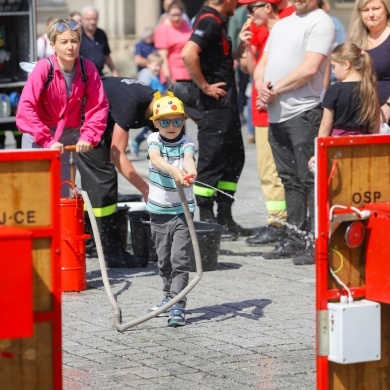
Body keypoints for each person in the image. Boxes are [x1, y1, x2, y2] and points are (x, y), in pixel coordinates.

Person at [81, 79, 203, 268]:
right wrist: (146, 190)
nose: (178, 122)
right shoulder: (132, 102)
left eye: (182, 118)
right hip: (83, 121)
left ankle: (90, 241)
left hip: (103, 120)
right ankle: (110, 250)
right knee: (103, 179)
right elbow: (117, 154)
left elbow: (169, 151)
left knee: (98, 182)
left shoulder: (155, 107)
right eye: (179, 115)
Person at [254, 0, 336, 264]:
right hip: (277, 115)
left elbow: (309, 69)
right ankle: (295, 238)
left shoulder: (320, 21)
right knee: (289, 180)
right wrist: (260, 85)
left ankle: (316, 240)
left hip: (304, 112)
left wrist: (272, 89)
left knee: (310, 181)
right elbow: (261, 64)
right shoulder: (282, 25)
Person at [181, 0, 254, 241]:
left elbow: (220, 59)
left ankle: (224, 216)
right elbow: (188, 53)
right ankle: (207, 218)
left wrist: (241, 45)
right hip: (214, 108)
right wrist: (205, 86)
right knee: (212, 160)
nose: (239, 4)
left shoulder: (218, 22)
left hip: (227, 106)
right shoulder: (209, 21)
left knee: (233, 158)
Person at [16, 18, 108, 197]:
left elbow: (98, 106)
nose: (70, 47)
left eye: (74, 41)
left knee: (63, 193)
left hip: (67, 136)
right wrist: (47, 141)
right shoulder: (44, 68)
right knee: (35, 194)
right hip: (37, 135)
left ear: (80, 42)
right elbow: (25, 108)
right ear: (53, 45)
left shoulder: (87, 68)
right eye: (64, 42)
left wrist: (88, 136)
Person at [238, 0, 293, 247]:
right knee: (267, 169)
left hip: (284, 106)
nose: (248, 14)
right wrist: (248, 44)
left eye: (251, 8)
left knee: (282, 169)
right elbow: (251, 70)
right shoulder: (258, 28)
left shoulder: (289, 19)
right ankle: (278, 221)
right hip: (261, 110)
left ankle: (282, 223)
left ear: (267, 6)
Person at [146, 91, 197, 327]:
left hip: (182, 212)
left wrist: (190, 170)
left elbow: (188, 160)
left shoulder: (187, 142)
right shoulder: (153, 140)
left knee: (179, 258)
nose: (171, 126)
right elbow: (156, 159)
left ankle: (178, 303)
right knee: (163, 259)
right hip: (158, 210)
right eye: (165, 121)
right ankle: (167, 296)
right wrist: (172, 171)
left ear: (184, 121)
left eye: (177, 120)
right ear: (156, 123)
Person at [308, 42, 380, 157]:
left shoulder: (334, 89)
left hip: (339, 146)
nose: (332, 71)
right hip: (364, 145)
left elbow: (326, 125)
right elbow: (376, 123)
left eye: (334, 66)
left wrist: (319, 152)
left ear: (346, 65)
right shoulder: (369, 88)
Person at [348, 0, 390, 128]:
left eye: (376, 8)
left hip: (385, 114)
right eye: (365, 10)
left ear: (387, 10)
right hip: (361, 114)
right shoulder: (355, 40)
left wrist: (388, 106)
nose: (370, 14)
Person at [132, 53, 168, 156]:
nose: (158, 68)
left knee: (155, 127)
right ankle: (138, 141)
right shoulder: (146, 75)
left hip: (157, 106)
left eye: (160, 66)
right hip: (149, 107)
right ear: (148, 64)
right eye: (156, 65)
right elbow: (142, 90)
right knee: (155, 127)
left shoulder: (156, 76)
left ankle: (140, 142)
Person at [154, 0, 192, 86]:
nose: (176, 18)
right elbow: (163, 57)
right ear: (167, 14)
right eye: (173, 15)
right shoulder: (162, 29)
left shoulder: (185, 24)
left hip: (188, 72)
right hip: (173, 74)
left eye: (179, 15)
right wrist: (168, 78)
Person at [79, 5, 118, 77]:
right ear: (82, 20)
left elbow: (106, 54)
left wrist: (114, 71)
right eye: (89, 19)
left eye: (95, 19)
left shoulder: (101, 34)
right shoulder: (77, 34)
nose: (92, 22)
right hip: (82, 76)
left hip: (99, 75)